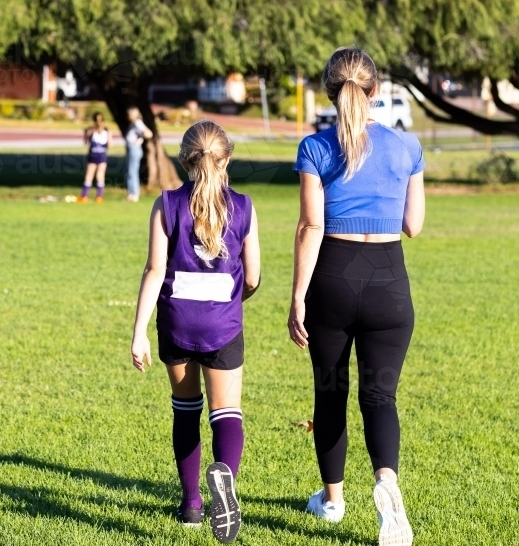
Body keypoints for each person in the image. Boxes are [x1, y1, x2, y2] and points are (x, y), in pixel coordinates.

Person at [288, 47, 425, 546]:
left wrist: (297, 295)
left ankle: (332, 501)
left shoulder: (314, 149)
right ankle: (387, 485)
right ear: (375, 91)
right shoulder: (407, 147)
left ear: (329, 91)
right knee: (380, 396)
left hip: (334, 279)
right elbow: (413, 225)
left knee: (331, 394)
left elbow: (310, 225)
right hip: (389, 281)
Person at [130, 120, 261, 544]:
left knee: (185, 412)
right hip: (223, 324)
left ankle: (191, 504)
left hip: (176, 323)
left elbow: (154, 270)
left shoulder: (165, 204)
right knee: (227, 412)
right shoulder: (243, 206)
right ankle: (227, 486)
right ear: (226, 161)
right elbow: (254, 276)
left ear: (185, 160)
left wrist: (138, 333)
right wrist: (231, 297)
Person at [78, 112, 111, 203]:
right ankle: (84, 195)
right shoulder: (91, 130)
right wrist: (88, 133)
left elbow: (110, 144)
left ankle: (99, 196)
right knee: (89, 175)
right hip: (93, 156)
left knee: (100, 175)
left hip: (101, 156)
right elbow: (85, 142)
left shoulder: (106, 131)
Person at [124, 107, 153, 202]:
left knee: (132, 171)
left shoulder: (137, 122)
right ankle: (131, 193)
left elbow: (149, 133)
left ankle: (134, 193)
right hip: (131, 148)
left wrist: (139, 139)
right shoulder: (133, 124)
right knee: (129, 171)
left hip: (134, 148)